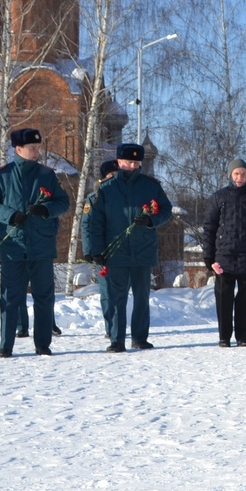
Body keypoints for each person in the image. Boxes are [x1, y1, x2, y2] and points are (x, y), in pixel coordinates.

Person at [0, 129, 71, 357]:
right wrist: (10, 215)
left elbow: (63, 202)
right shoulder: (2, 176)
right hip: (13, 245)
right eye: (32, 148)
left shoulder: (47, 175)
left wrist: (46, 209)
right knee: (10, 298)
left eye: (38, 148)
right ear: (18, 149)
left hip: (41, 245)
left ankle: (43, 344)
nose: (36, 152)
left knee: (44, 297)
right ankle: (6, 344)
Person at [82, 143, 173, 352]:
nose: (131, 166)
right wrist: (94, 250)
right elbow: (93, 222)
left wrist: (152, 220)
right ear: (119, 161)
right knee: (116, 298)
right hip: (115, 252)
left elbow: (166, 210)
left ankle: (140, 337)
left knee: (142, 296)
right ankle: (116, 339)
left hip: (143, 250)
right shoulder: (106, 189)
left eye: (135, 162)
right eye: (127, 162)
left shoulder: (151, 186)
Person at [202, 158, 246, 347]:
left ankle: (242, 336)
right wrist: (209, 257)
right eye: (236, 173)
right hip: (223, 257)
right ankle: (224, 337)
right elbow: (209, 228)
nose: (240, 177)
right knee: (224, 299)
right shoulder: (218, 197)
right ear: (230, 174)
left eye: (243, 174)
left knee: (245, 300)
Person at [80, 159, 118, 334]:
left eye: (117, 176)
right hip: (103, 251)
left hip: (125, 250)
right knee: (108, 291)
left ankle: (123, 324)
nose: (114, 179)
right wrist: (89, 250)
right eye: (111, 175)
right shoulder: (93, 198)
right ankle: (111, 327)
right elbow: (86, 225)